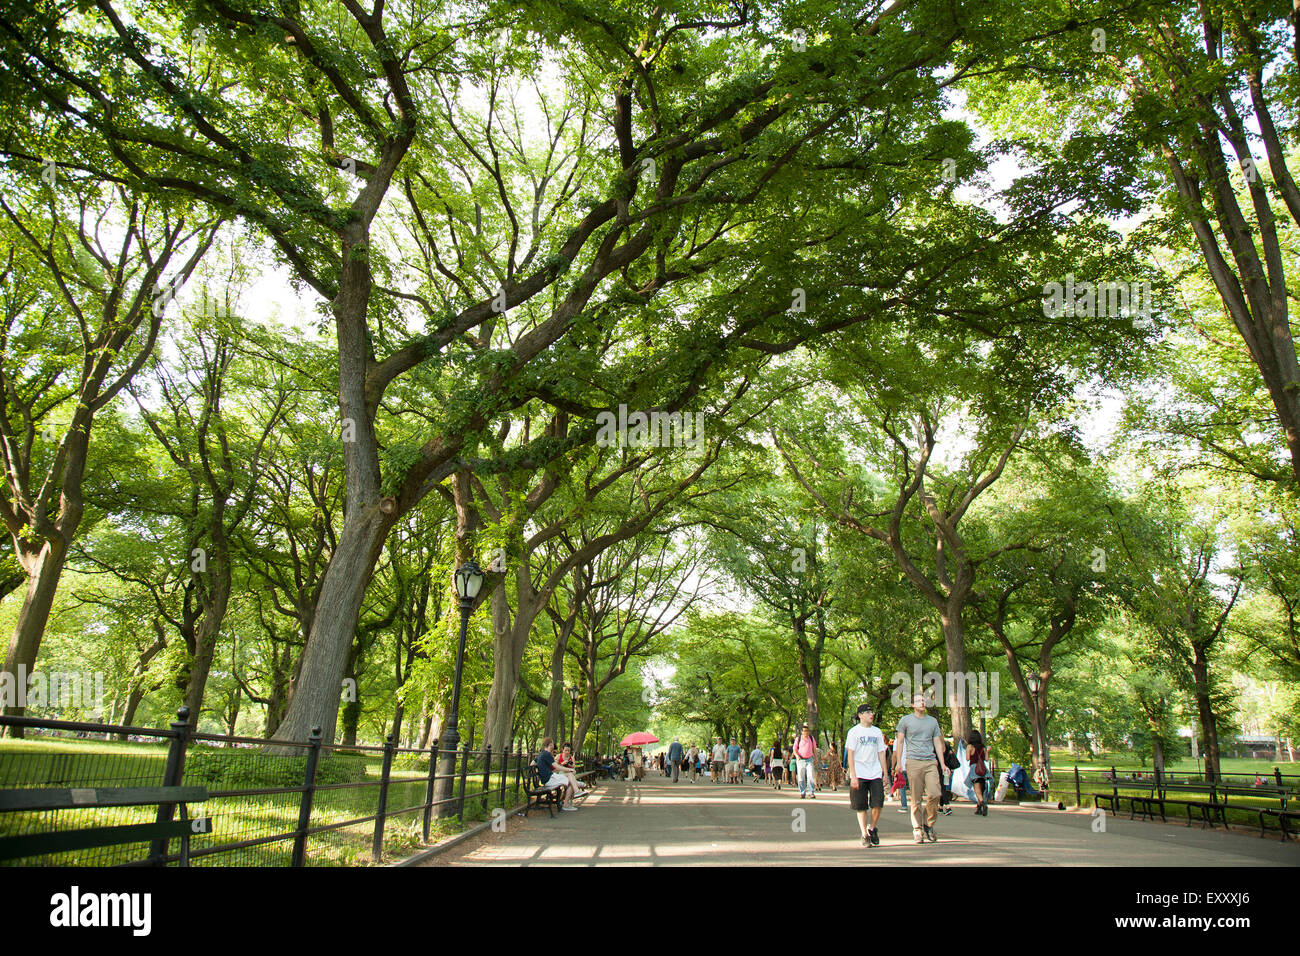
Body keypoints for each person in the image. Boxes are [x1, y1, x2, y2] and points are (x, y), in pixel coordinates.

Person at [896, 692, 945, 844]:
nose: (922, 702)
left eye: (924, 700)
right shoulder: (905, 720)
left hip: (930, 762)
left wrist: (942, 764)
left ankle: (928, 824)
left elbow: (937, 743)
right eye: (918, 700)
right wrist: (898, 762)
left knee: (935, 794)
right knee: (916, 799)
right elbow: (900, 742)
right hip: (913, 761)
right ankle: (917, 829)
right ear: (912, 705)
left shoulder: (932, 722)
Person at [845, 704, 889, 847]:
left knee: (878, 803)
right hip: (860, 773)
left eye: (872, 711)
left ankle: (872, 828)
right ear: (860, 715)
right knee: (861, 806)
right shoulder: (853, 732)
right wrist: (853, 775)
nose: (872, 714)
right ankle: (864, 834)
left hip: (875, 772)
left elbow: (881, 753)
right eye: (868, 712)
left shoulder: (877, 732)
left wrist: (885, 773)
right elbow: (850, 754)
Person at [536, 737, 578, 811]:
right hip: (549, 780)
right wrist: (569, 769)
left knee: (570, 776)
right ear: (551, 744)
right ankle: (566, 803)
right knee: (571, 780)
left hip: (549, 778)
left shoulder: (542, 754)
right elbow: (557, 767)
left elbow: (532, 763)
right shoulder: (547, 754)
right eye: (552, 743)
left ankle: (577, 791)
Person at [967, 730, 991, 815]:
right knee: (982, 789)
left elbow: (967, 758)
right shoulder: (983, 747)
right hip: (983, 770)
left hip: (974, 769)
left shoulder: (970, 746)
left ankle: (983, 803)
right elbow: (987, 759)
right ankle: (979, 808)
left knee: (977, 790)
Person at [793, 723, 818, 798]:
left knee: (810, 776)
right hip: (801, 760)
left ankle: (811, 792)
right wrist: (797, 756)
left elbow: (814, 749)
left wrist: (816, 758)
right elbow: (794, 749)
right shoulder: (798, 739)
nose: (806, 732)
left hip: (809, 759)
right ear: (802, 732)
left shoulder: (811, 738)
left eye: (807, 731)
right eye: (804, 731)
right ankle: (802, 792)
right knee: (801, 777)